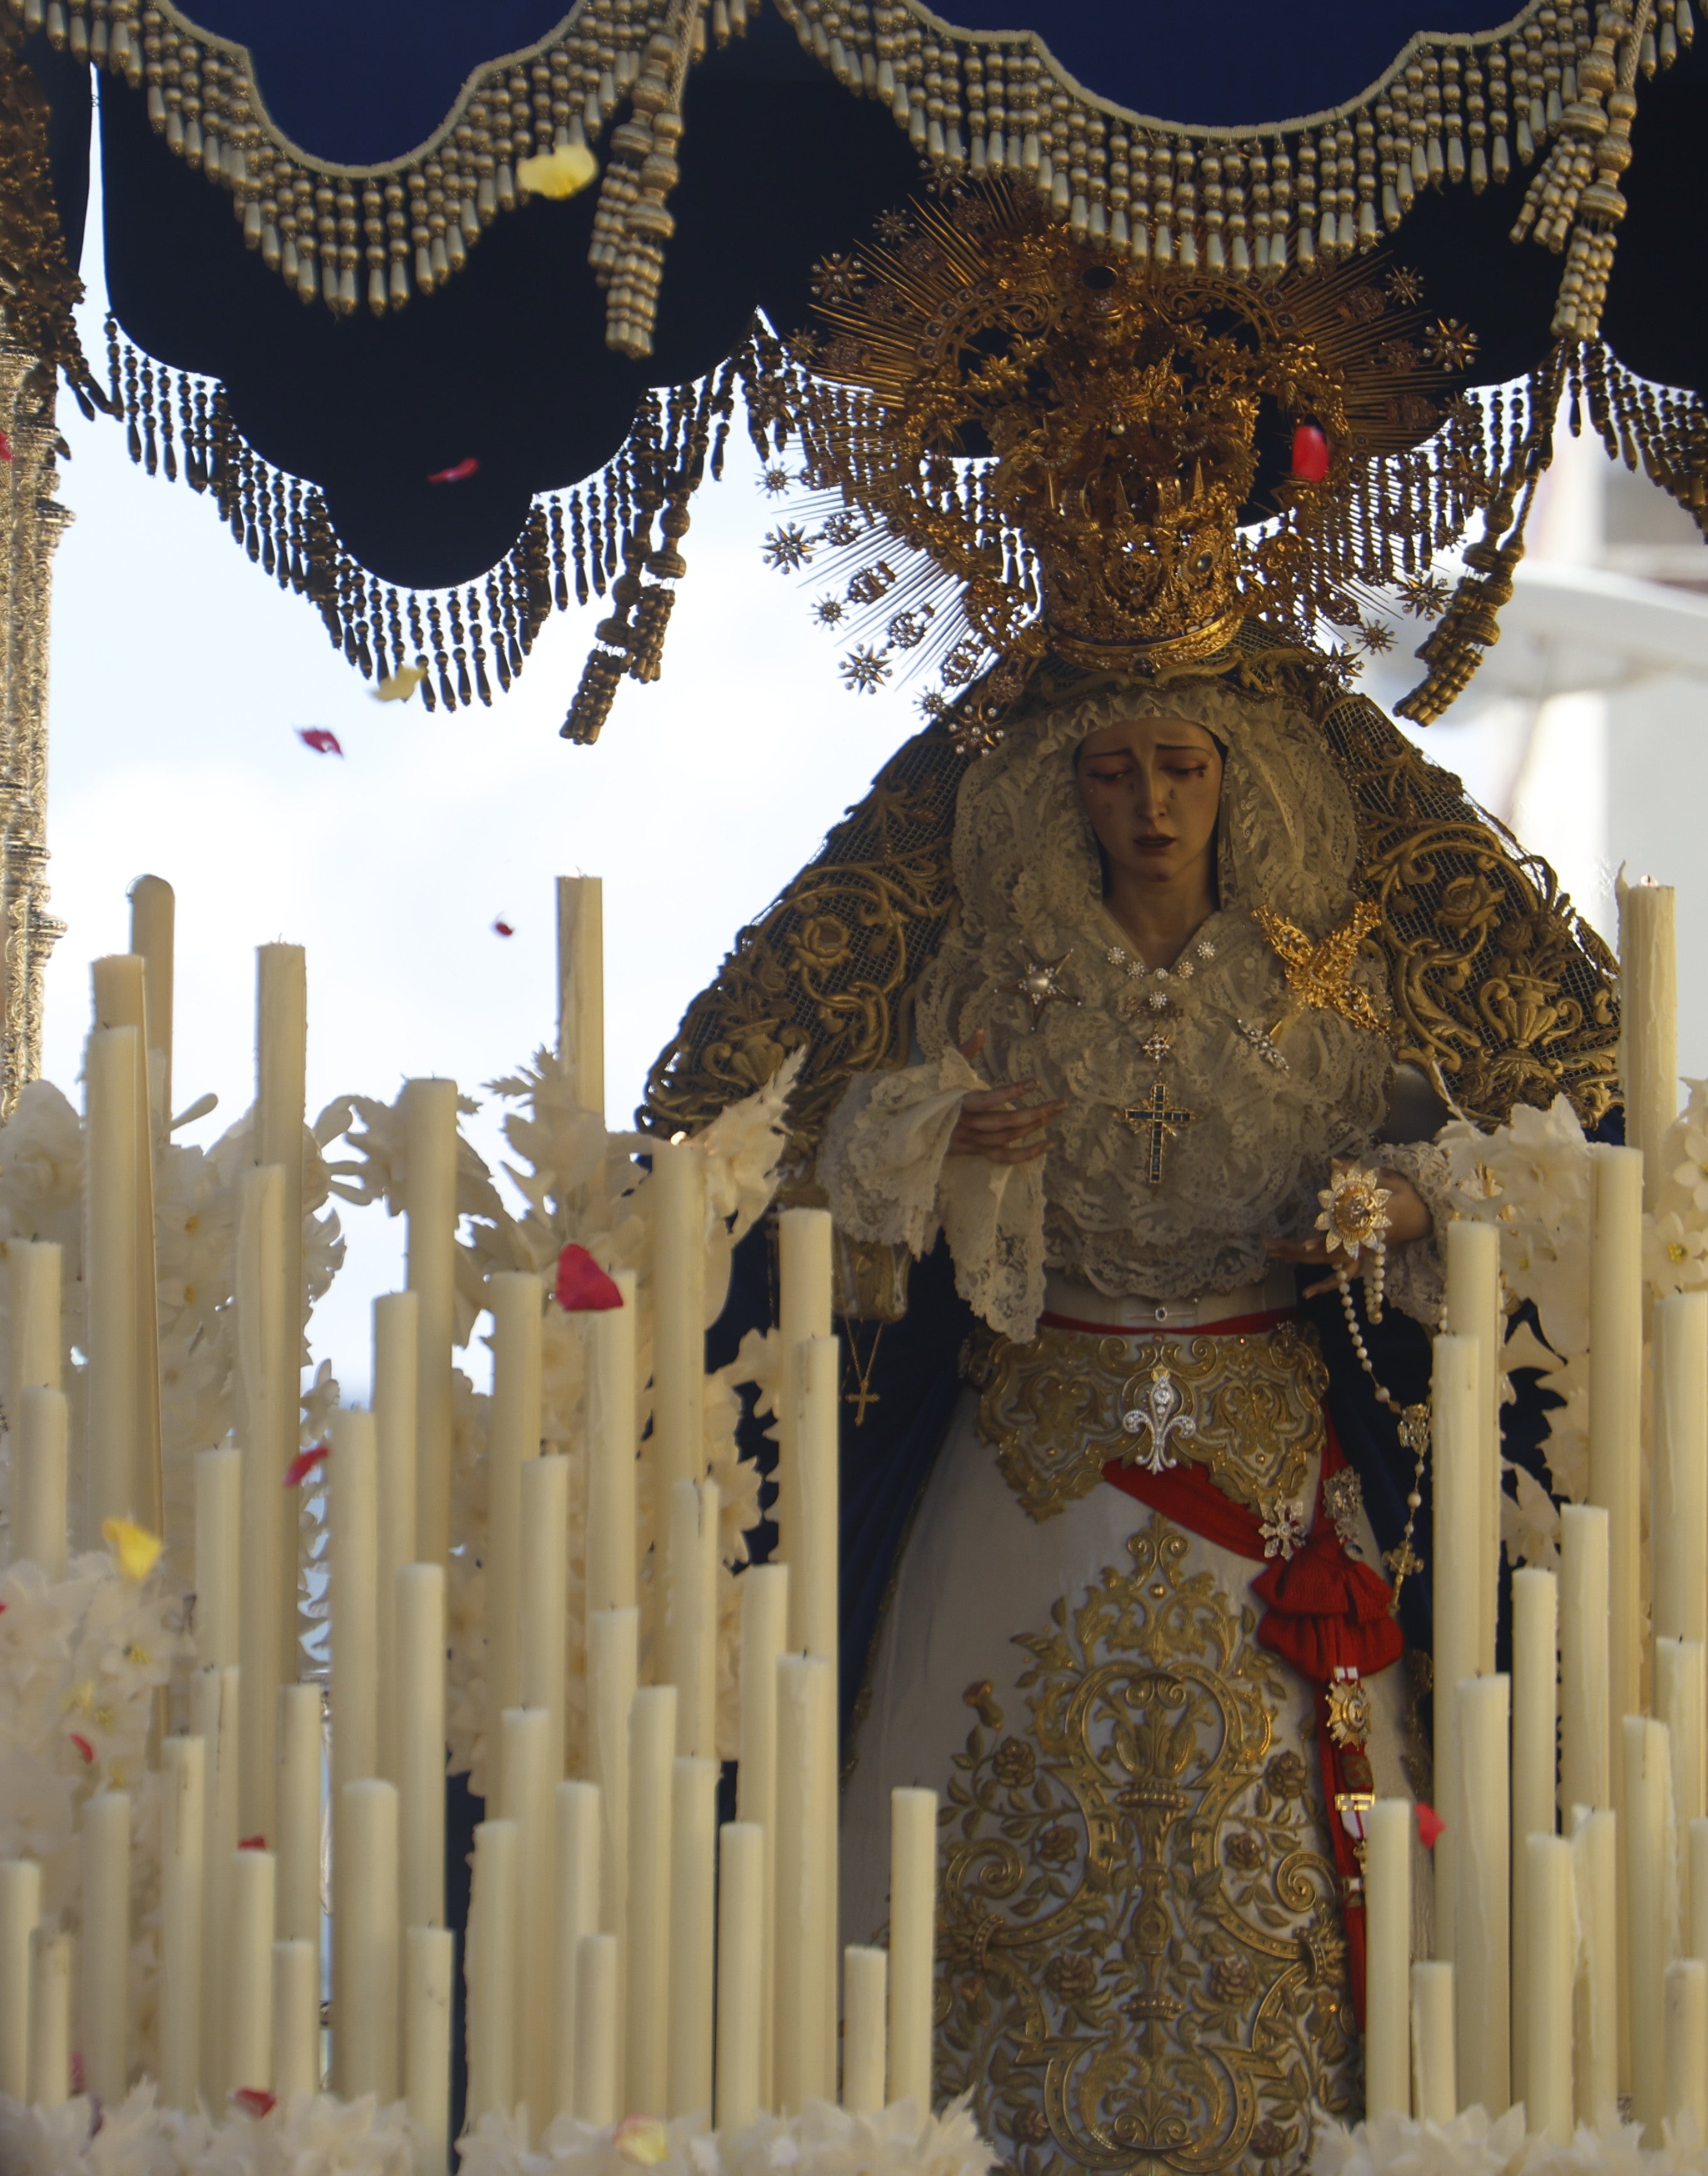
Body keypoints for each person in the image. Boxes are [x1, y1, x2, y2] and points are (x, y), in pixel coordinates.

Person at [644, 180, 1615, 2170]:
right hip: (1029, 1441)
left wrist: (1416, 1206)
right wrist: (932, 1142)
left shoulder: (1352, 922)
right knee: (970, 1853)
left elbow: (1554, 1119)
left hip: (1280, 1452)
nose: (1150, 796)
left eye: (1182, 766)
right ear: (1055, 787)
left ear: (1240, 781)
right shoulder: (970, 922)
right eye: (1111, 768)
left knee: (1291, 1864)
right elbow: (768, 1134)